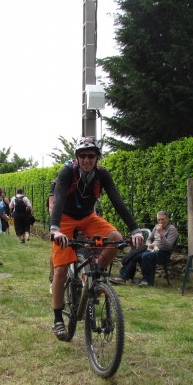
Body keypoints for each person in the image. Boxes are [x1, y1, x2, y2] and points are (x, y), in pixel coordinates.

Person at [49, 136, 145, 340]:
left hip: (88, 217)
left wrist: (135, 230)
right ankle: (57, 319)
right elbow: (58, 200)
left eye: (91, 156)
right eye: (82, 156)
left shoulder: (102, 175)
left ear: (97, 157)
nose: (86, 160)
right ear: (77, 157)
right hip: (65, 218)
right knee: (61, 269)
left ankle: (96, 274)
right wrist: (55, 229)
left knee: (115, 237)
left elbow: (117, 202)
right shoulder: (67, 172)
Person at [111, 211, 178, 287]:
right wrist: (149, 244)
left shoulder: (172, 229)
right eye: (159, 220)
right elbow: (149, 239)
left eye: (163, 219)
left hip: (163, 253)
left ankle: (146, 280)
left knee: (146, 255)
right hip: (151, 249)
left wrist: (161, 234)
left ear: (167, 219)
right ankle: (123, 277)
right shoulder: (156, 227)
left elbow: (169, 246)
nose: (160, 222)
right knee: (134, 254)